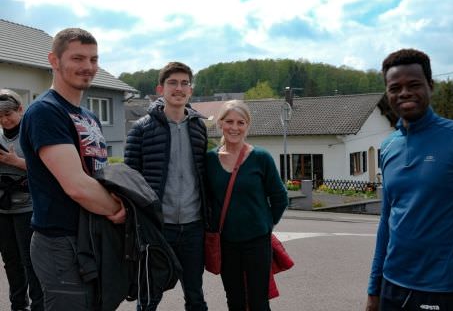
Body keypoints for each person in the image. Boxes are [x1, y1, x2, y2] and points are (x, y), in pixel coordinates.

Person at [19, 28, 126, 311]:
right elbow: (76, 185)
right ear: (54, 60)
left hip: (90, 237)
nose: (88, 67)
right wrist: (121, 208)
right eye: (78, 58)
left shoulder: (88, 115)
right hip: (60, 242)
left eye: (93, 59)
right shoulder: (45, 111)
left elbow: (97, 175)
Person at [366, 49, 453, 311]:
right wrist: (374, 288)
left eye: (414, 84)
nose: (404, 92)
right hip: (392, 288)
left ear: (431, 86)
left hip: (446, 290)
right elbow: (386, 221)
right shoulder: (389, 146)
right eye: (395, 87)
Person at [124, 61, 209, 310]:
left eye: (184, 83)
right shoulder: (141, 129)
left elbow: (203, 176)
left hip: (193, 228)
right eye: (172, 83)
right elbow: (129, 180)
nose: (179, 88)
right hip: (158, 228)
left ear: (190, 91)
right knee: (149, 297)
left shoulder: (199, 127)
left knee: (195, 296)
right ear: (160, 89)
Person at [205, 100, 288, 311]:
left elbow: (279, 197)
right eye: (229, 121)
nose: (234, 127)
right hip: (226, 243)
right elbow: (207, 200)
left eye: (240, 122)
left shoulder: (260, 158)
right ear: (220, 124)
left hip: (257, 243)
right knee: (235, 301)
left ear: (247, 126)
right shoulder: (209, 161)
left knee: (259, 301)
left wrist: (265, 224)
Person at [0, 89, 44, 311]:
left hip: (28, 208)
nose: (4, 120)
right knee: (11, 262)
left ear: (20, 110)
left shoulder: (31, 134)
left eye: (8, 113)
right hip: (3, 209)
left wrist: (15, 161)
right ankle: (18, 305)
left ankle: (38, 306)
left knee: (31, 262)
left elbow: (46, 168)